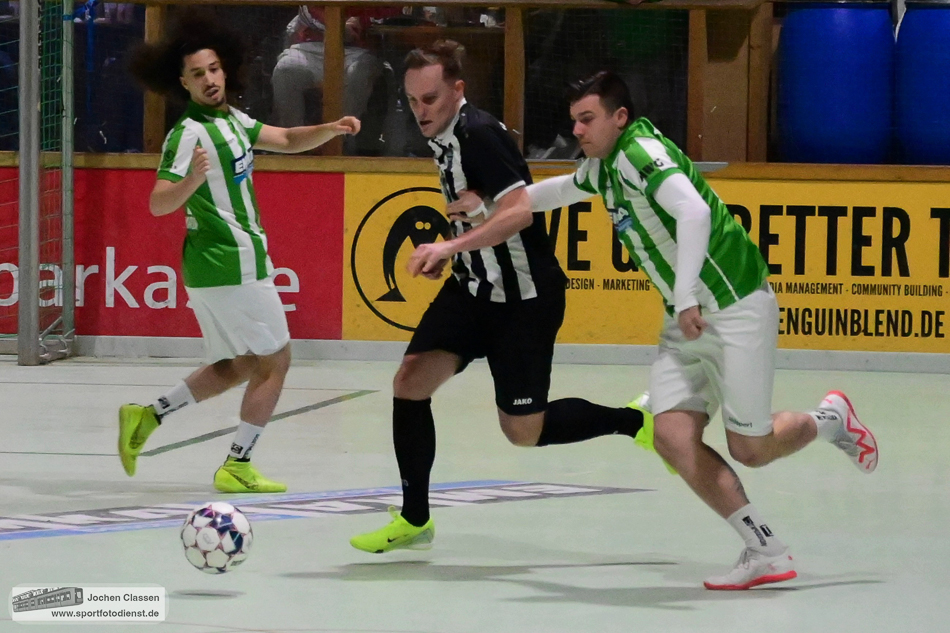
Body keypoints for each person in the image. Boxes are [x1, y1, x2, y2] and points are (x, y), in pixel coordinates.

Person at [436, 70, 879, 590]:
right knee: (671, 437)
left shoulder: (641, 153)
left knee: (751, 450)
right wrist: (490, 206)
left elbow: (693, 212)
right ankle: (766, 549)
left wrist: (686, 294)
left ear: (620, 117)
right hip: (685, 316)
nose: (577, 130)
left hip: (734, 306)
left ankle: (830, 419)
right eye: (574, 120)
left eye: (587, 119)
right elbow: (551, 193)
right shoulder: (603, 167)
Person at [349, 42, 654, 554]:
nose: (420, 111)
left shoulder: (480, 133)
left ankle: (635, 422)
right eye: (412, 101)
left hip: (523, 299)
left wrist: (449, 245)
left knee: (523, 432)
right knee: (410, 382)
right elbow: (485, 207)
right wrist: (459, 247)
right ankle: (415, 518)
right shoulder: (443, 136)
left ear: (458, 90)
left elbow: (519, 211)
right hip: (472, 289)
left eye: (430, 99)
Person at [118, 10, 360, 493]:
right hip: (228, 262)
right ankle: (237, 464)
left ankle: (148, 416)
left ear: (224, 70)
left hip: (225, 265)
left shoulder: (230, 119)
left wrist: (331, 128)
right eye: (197, 74)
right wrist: (191, 180)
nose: (209, 79)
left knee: (243, 362)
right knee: (277, 359)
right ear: (183, 84)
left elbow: (285, 139)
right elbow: (158, 202)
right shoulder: (189, 134)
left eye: (213, 69)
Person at [271, 6, 399, 131]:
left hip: (359, 51)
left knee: (358, 73)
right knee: (285, 69)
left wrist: (361, 20)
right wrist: (338, 23)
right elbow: (310, 7)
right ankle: (293, 138)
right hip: (311, 46)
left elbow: (394, 9)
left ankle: (339, 136)